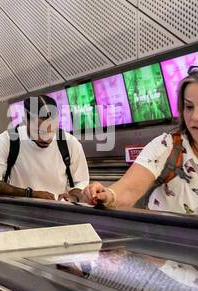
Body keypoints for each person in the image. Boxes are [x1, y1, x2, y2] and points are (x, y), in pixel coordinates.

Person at [82, 67, 198, 216]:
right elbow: (129, 189)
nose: (194, 116)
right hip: (169, 237)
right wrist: (108, 195)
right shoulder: (167, 145)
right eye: (189, 107)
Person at [0, 95, 89, 202]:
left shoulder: (70, 143)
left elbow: (81, 184)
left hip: (59, 212)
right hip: (19, 213)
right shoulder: (8, 140)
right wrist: (30, 194)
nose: (47, 139)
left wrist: (73, 197)